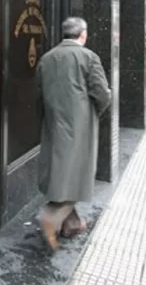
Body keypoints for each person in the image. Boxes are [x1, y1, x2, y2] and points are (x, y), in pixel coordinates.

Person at [36, 17, 111, 250]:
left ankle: (72, 224)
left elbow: (38, 94)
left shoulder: (46, 58)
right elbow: (102, 93)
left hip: (53, 122)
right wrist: (94, 112)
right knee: (77, 172)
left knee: (62, 171)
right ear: (83, 34)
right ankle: (51, 216)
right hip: (80, 125)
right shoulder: (89, 57)